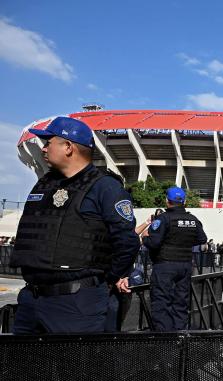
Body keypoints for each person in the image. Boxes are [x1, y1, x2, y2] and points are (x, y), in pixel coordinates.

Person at [9, 116, 139, 334]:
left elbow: (127, 242)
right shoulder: (45, 184)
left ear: (68, 147)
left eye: (49, 142)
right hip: (32, 299)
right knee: (23, 366)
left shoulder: (105, 188)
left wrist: (103, 282)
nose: (43, 148)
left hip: (77, 303)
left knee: (74, 367)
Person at [136, 186, 207, 331]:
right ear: (185, 201)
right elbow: (202, 238)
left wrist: (144, 238)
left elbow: (154, 243)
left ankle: (164, 341)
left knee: (162, 303)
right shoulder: (193, 220)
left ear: (167, 201)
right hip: (186, 266)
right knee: (181, 302)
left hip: (165, 265)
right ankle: (180, 337)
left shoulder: (163, 218)